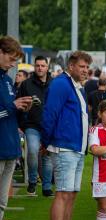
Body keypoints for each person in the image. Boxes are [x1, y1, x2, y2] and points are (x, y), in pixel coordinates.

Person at [41, 51, 92, 220]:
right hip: (63, 146)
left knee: (71, 195)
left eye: (87, 67)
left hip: (77, 148)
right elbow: (50, 113)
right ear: (71, 66)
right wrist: (46, 141)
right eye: (82, 67)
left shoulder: (77, 86)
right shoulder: (61, 84)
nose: (85, 70)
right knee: (62, 193)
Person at [0, 36, 32, 220]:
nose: (13, 65)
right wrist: (13, 106)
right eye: (11, 59)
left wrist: (23, 108)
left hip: (11, 148)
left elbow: (11, 113)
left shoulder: (7, 80)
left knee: (2, 203)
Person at [17, 55, 54, 196]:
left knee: (47, 157)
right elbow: (18, 103)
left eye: (42, 66)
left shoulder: (54, 83)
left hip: (50, 126)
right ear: (34, 66)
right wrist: (20, 123)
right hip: (31, 125)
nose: (40, 68)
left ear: (47, 67)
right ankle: (32, 180)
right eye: (37, 65)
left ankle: (46, 187)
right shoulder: (26, 84)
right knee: (32, 151)